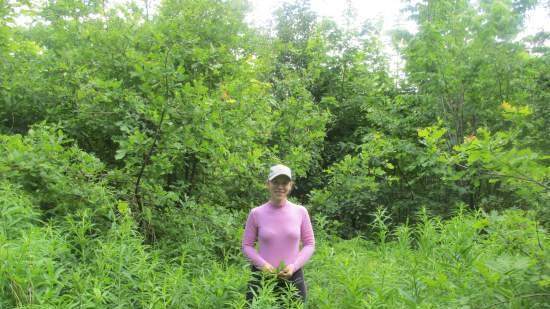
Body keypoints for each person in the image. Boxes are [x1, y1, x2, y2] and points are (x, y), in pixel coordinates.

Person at [242, 164, 315, 306]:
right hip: (262, 278)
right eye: (275, 182)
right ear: (267, 184)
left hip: (293, 277)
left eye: (284, 183)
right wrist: (262, 265)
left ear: (291, 185)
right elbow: (246, 246)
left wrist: (294, 266)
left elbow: (309, 244)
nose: (280, 187)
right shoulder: (256, 213)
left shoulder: (300, 212)